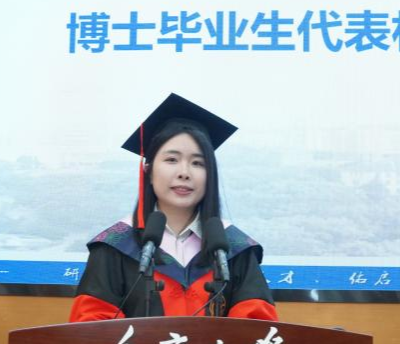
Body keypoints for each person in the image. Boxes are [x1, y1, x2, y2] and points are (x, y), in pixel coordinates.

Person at [68, 93, 278, 322]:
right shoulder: (115, 246)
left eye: (197, 163)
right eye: (171, 160)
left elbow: (256, 329)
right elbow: (91, 329)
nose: (184, 173)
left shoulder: (233, 248)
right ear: (148, 170)